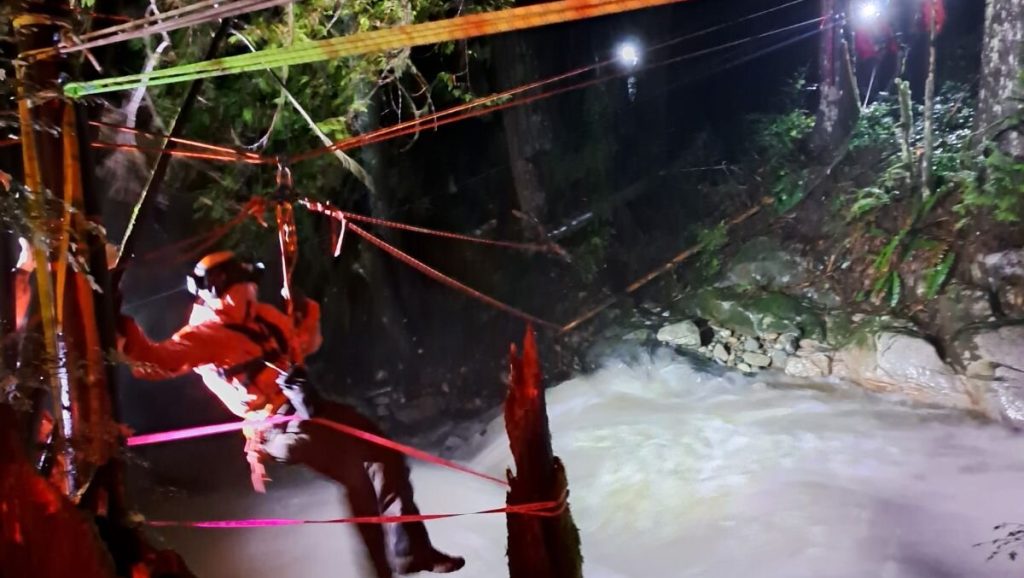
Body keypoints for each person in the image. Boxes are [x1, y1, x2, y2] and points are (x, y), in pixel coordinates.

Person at [116, 251, 465, 577]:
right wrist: (122, 328)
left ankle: (407, 552)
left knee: (382, 458)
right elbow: (155, 363)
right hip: (275, 428)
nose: (251, 290)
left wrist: (305, 312)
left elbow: (303, 343)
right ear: (222, 288)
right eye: (244, 284)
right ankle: (394, 560)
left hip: (307, 407)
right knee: (353, 465)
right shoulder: (204, 336)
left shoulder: (262, 317)